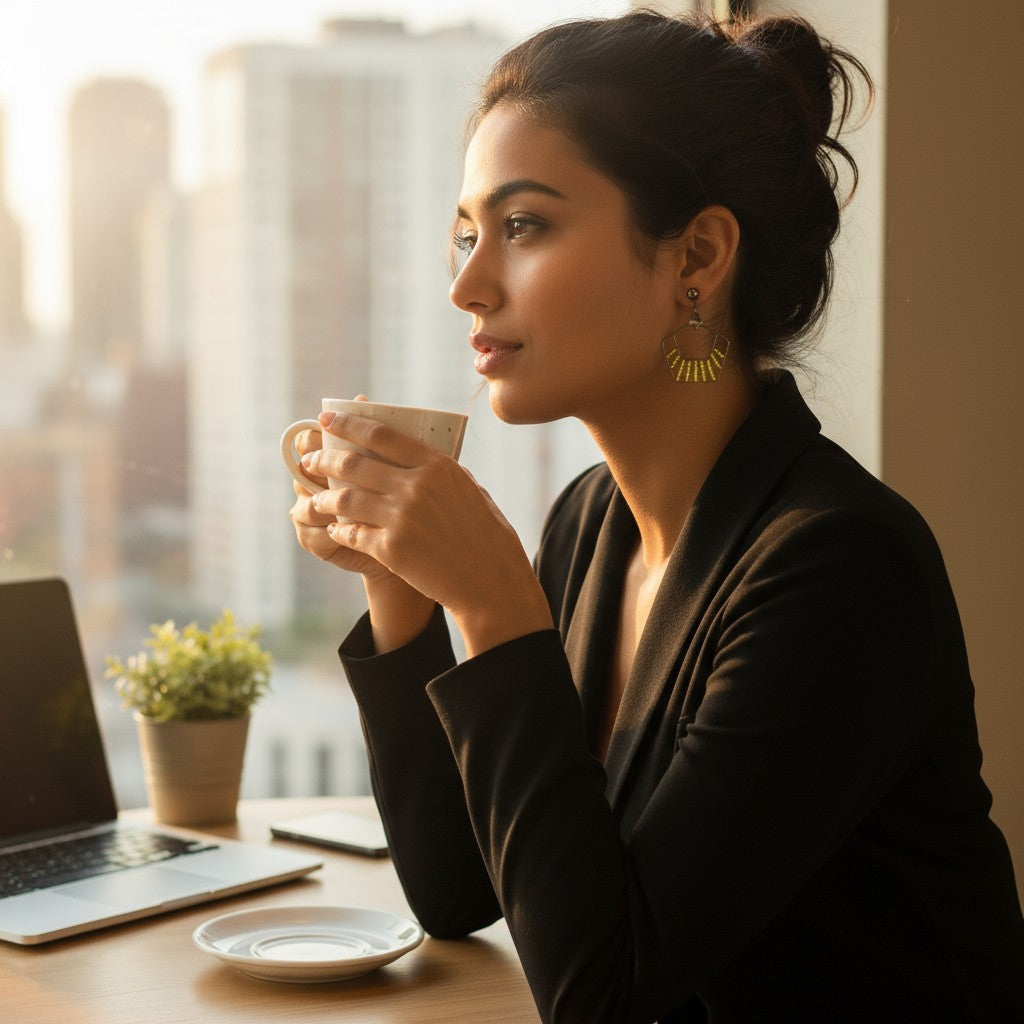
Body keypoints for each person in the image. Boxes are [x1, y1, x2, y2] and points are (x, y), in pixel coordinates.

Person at [288, 10, 1024, 1022]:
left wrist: (497, 602)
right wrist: (400, 582)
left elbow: (605, 992)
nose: (466, 284)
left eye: (523, 226)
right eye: (467, 233)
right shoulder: (591, 524)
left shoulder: (841, 567)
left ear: (697, 257)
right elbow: (462, 892)